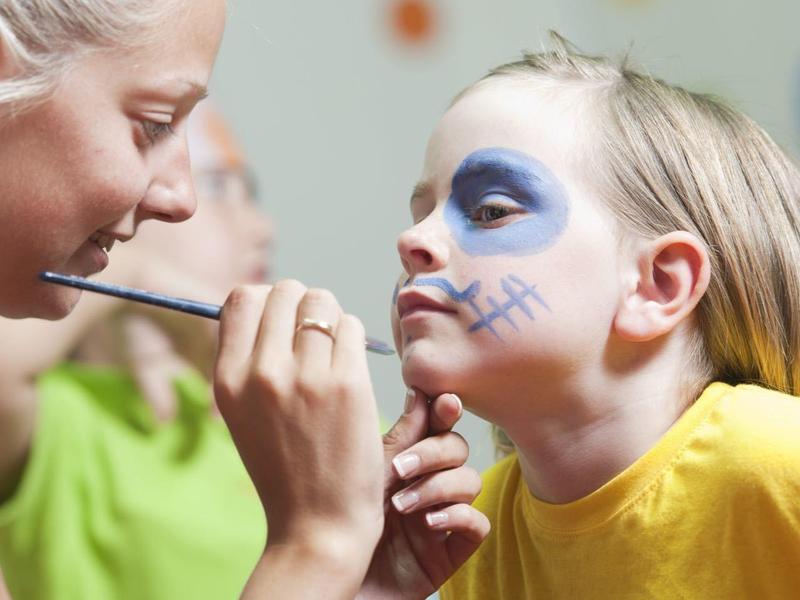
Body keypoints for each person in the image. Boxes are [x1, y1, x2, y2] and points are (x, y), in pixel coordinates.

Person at [0, 4, 487, 598]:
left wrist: (358, 587)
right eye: (156, 124)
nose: (180, 198)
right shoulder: (77, 422)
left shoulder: (338, 433)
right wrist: (318, 545)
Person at [362, 33, 800, 598]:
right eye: (422, 214)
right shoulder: (472, 527)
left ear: (657, 284)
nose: (412, 240)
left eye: (491, 210)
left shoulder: (779, 459)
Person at [0, 101, 274, 599]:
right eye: (218, 187)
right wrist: (137, 279)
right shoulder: (66, 419)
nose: (260, 228)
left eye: (249, 192)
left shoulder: (308, 417)